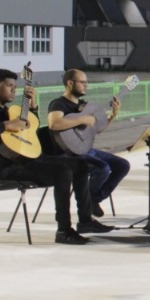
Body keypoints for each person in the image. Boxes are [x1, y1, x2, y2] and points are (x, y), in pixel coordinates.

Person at [0, 67, 98, 245]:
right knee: (62, 172)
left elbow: (29, 130)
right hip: (7, 166)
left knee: (80, 165)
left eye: (15, 86)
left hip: (28, 158)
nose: (14, 90)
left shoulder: (8, 110)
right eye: (9, 86)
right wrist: (6, 124)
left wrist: (33, 107)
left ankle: (85, 221)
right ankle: (63, 230)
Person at [47, 69, 129, 224]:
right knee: (102, 168)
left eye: (86, 82)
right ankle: (87, 206)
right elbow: (54, 123)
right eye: (82, 82)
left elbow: (97, 129)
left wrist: (112, 116)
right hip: (68, 154)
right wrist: (82, 119)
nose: (86, 86)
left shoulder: (84, 106)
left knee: (122, 165)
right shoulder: (58, 104)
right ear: (70, 83)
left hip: (86, 149)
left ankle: (92, 200)